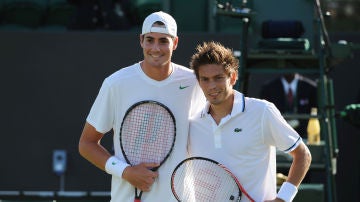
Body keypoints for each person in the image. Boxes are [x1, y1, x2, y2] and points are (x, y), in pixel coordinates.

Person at [78, 11, 205, 202]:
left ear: (175, 43)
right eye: (150, 40)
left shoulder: (194, 83)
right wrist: (126, 172)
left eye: (163, 41)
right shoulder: (116, 83)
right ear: (141, 41)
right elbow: (86, 144)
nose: (156, 48)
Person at [188, 41, 312, 202]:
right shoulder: (193, 122)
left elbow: (303, 154)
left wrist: (283, 198)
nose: (211, 86)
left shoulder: (262, 111)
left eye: (218, 78)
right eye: (205, 79)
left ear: (232, 77)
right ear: (199, 82)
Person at [259, 73, 318, 138]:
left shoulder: (311, 88)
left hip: (304, 136)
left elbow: (315, 112)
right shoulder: (268, 88)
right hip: (277, 136)